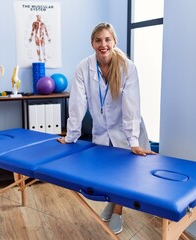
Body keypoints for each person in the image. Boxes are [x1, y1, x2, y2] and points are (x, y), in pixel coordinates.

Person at [57, 22, 156, 234]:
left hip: (127, 127)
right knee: (107, 172)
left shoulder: (128, 67)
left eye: (107, 39)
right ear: (92, 43)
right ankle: (112, 201)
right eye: (98, 40)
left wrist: (133, 142)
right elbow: (77, 104)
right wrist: (71, 136)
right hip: (102, 129)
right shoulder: (84, 67)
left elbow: (131, 107)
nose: (103, 44)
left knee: (124, 173)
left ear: (114, 41)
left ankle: (118, 210)